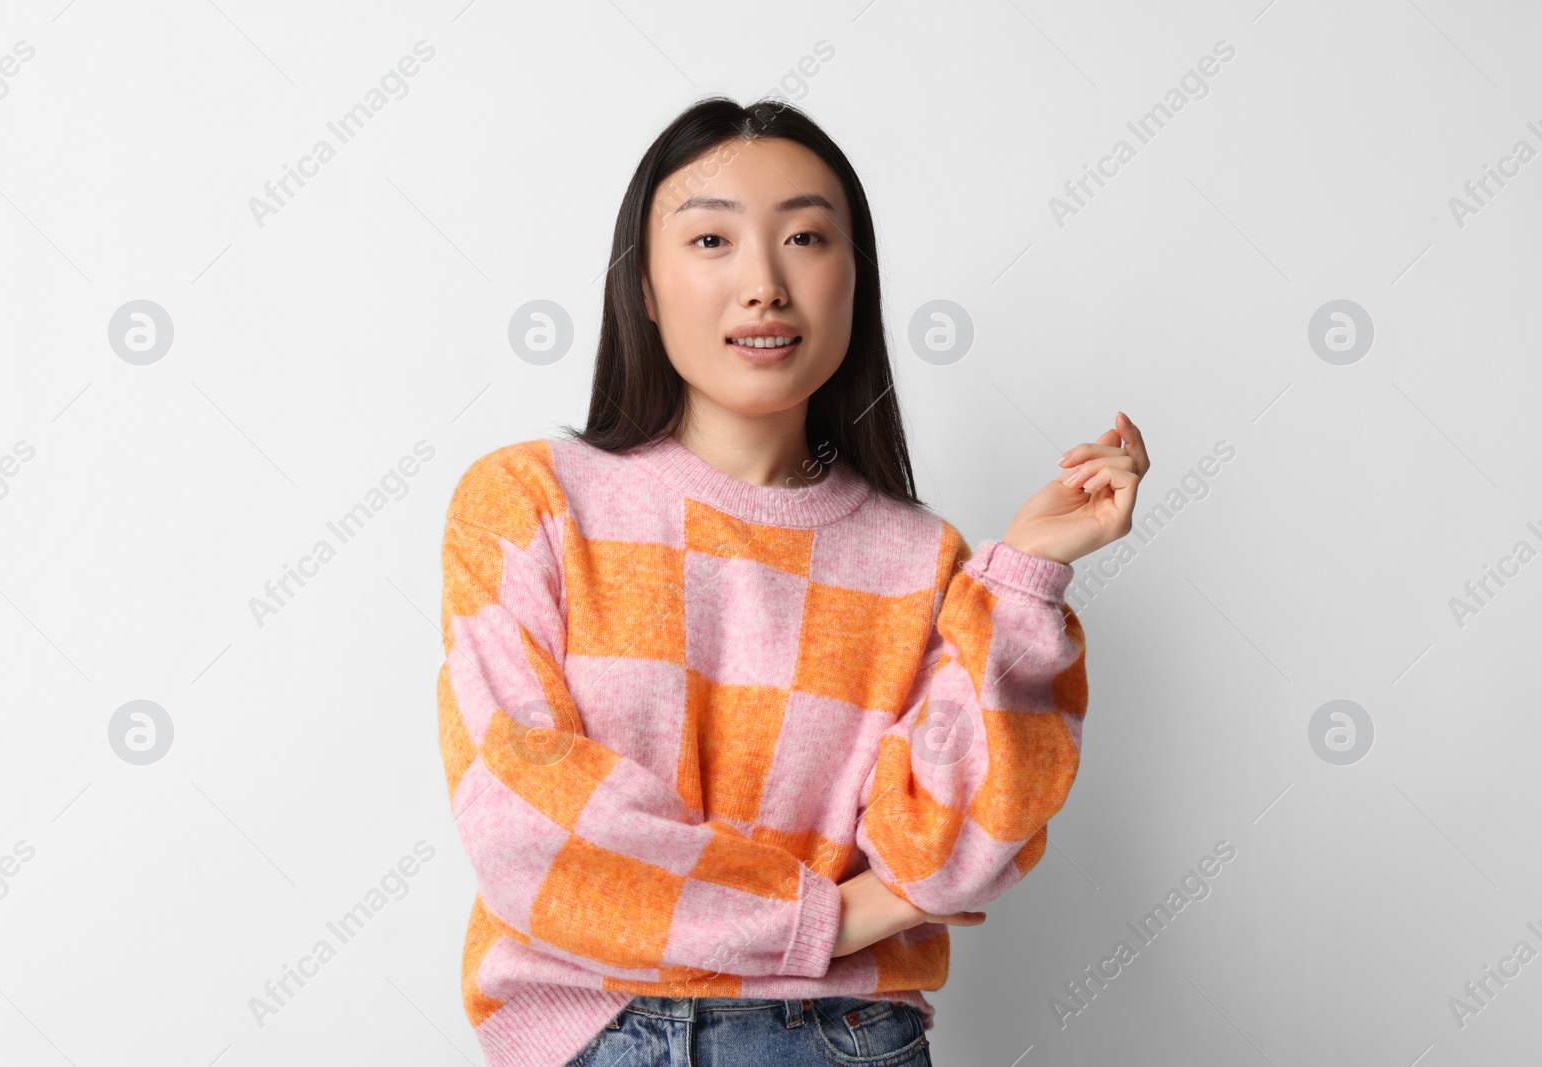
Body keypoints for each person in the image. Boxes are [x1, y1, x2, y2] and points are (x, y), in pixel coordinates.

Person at [435, 95, 1147, 1067]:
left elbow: (955, 845)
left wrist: (1021, 575)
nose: (763, 283)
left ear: (854, 278)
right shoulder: (529, 501)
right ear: (643, 285)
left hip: (842, 1040)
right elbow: (529, 827)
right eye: (711, 239)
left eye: (805, 236)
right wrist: (839, 915)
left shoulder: (918, 557)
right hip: (598, 1034)